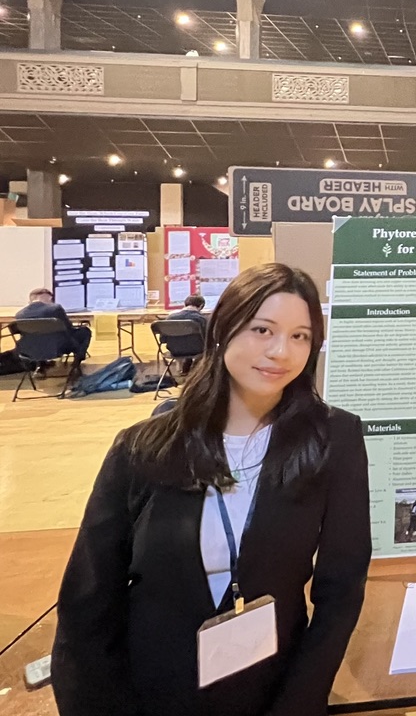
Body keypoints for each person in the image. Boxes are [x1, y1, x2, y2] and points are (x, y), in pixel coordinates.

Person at [51, 263, 372, 716]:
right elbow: (88, 601)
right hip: (152, 689)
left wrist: (297, 703)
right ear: (223, 329)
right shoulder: (144, 448)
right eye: (263, 330)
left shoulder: (332, 440)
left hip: (272, 687)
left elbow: (341, 591)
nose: (281, 351)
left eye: (300, 336)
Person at [14, 287, 92, 363]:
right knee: (85, 331)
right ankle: (78, 360)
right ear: (48, 297)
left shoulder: (20, 315)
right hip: (57, 348)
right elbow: (69, 328)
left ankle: (40, 364)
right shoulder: (55, 309)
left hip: (29, 350)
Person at [167, 294, 208, 374]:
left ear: (185, 304)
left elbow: (163, 339)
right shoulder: (201, 319)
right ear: (201, 306)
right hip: (197, 350)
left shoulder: (170, 318)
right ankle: (200, 371)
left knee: (186, 342)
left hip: (175, 351)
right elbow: (207, 338)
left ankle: (185, 367)